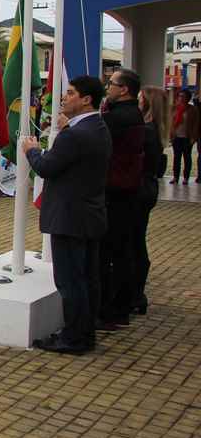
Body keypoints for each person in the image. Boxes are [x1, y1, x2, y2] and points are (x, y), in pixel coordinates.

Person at [23, 75, 111, 354]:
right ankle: (83, 332)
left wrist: (32, 151)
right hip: (88, 214)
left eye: (71, 93)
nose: (64, 97)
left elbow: (48, 167)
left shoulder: (75, 135)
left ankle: (74, 338)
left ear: (86, 100)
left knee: (71, 280)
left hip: (70, 216)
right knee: (87, 278)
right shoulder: (97, 127)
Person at [99, 68, 145, 330]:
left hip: (115, 193)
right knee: (122, 251)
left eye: (112, 84)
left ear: (124, 89)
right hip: (126, 192)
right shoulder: (130, 114)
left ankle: (110, 309)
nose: (109, 87)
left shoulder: (118, 118)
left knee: (110, 254)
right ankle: (120, 306)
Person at [134, 86, 167, 316]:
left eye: (139, 99)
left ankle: (135, 294)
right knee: (136, 241)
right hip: (148, 189)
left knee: (134, 244)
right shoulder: (154, 129)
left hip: (140, 191)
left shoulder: (146, 131)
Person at [169, 89, 198, 185]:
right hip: (176, 137)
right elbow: (170, 122)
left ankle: (186, 178)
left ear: (188, 98)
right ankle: (175, 177)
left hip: (187, 137)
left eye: (183, 96)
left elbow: (196, 124)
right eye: (180, 96)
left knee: (187, 157)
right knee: (176, 158)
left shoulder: (192, 109)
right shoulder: (174, 108)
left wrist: (193, 137)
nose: (181, 98)